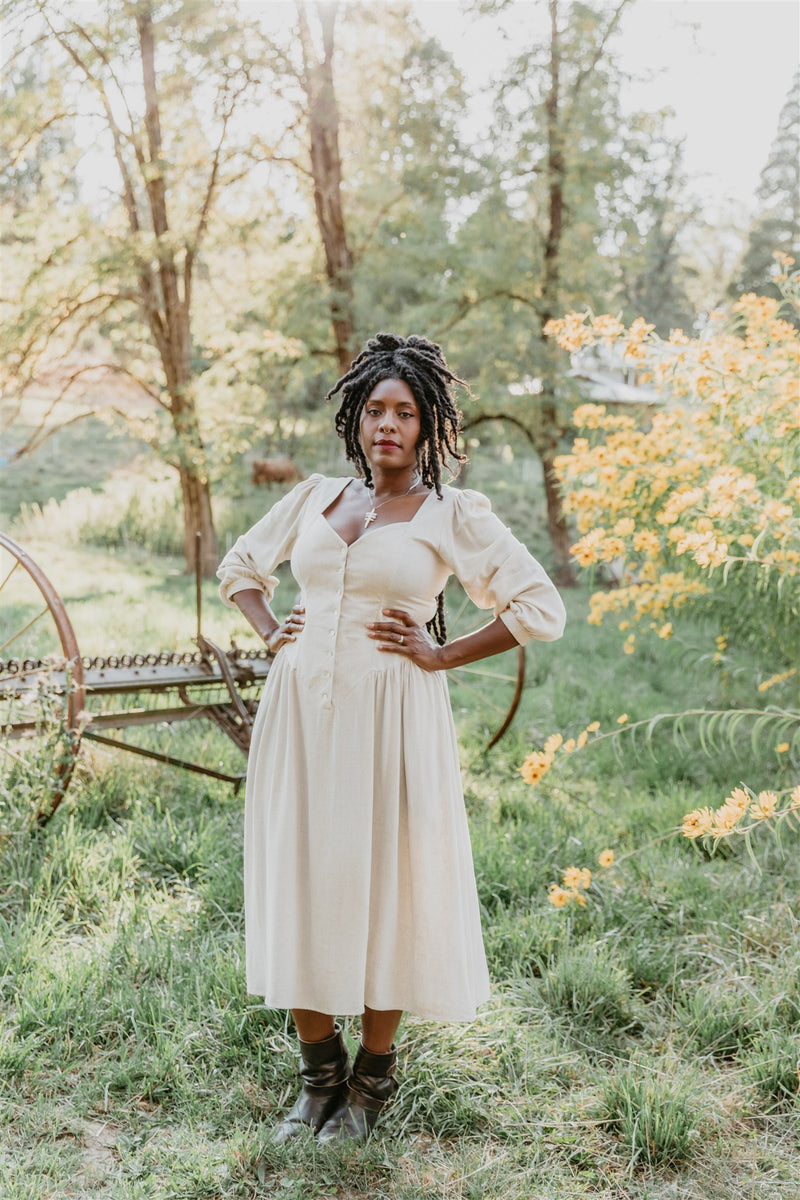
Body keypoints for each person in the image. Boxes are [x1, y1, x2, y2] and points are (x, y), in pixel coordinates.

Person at [217, 333, 566, 1145]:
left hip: (394, 721)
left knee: (386, 881)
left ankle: (373, 1081)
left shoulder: (452, 513)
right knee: (300, 873)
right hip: (301, 715)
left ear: (428, 426)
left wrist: (442, 652)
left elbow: (538, 606)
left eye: (404, 412)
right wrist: (272, 631)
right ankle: (318, 1077)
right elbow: (241, 565)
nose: (387, 425)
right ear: (356, 419)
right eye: (375, 409)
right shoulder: (313, 497)